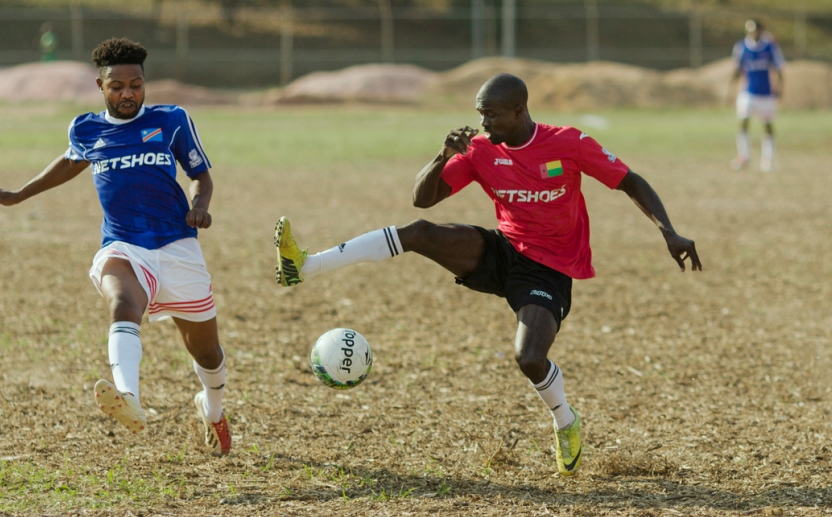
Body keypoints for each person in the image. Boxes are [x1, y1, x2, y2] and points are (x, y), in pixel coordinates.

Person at [274, 73, 702, 477]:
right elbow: (423, 200)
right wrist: (443, 155)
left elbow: (631, 181)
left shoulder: (568, 143)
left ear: (519, 110)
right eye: (480, 113)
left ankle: (564, 420)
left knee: (529, 358)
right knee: (420, 233)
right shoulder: (479, 150)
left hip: (550, 268)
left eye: (491, 114)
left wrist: (669, 232)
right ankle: (306, 266)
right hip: (501, 250)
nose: (482, 122)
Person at [0, 38, 232, 457]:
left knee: (206, 351)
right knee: (121, 303)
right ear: (100, 85)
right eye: (117, 86)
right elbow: (70, 162)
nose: (128, 93)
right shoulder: (86, 128)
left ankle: (214, 409)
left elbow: (201, 176)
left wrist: (199, 207)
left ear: (145, 84)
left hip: (177, 246)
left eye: (136, 84)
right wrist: (19, 194)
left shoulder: (172, 120)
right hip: (123, 245)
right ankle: (128, 396)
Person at [729, 19, 785, 172]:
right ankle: (743, 156)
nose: (753, 34)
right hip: (748, 92)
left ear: (761, 30)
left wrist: (780, 89)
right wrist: (730, 90)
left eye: (755, 30)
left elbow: (779, 68)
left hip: (766, 93)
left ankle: (768, 158)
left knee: (767, 125)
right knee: (743, 121)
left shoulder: (770, 47)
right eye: (750, 30)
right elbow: (736, 69)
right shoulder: (741, 47)